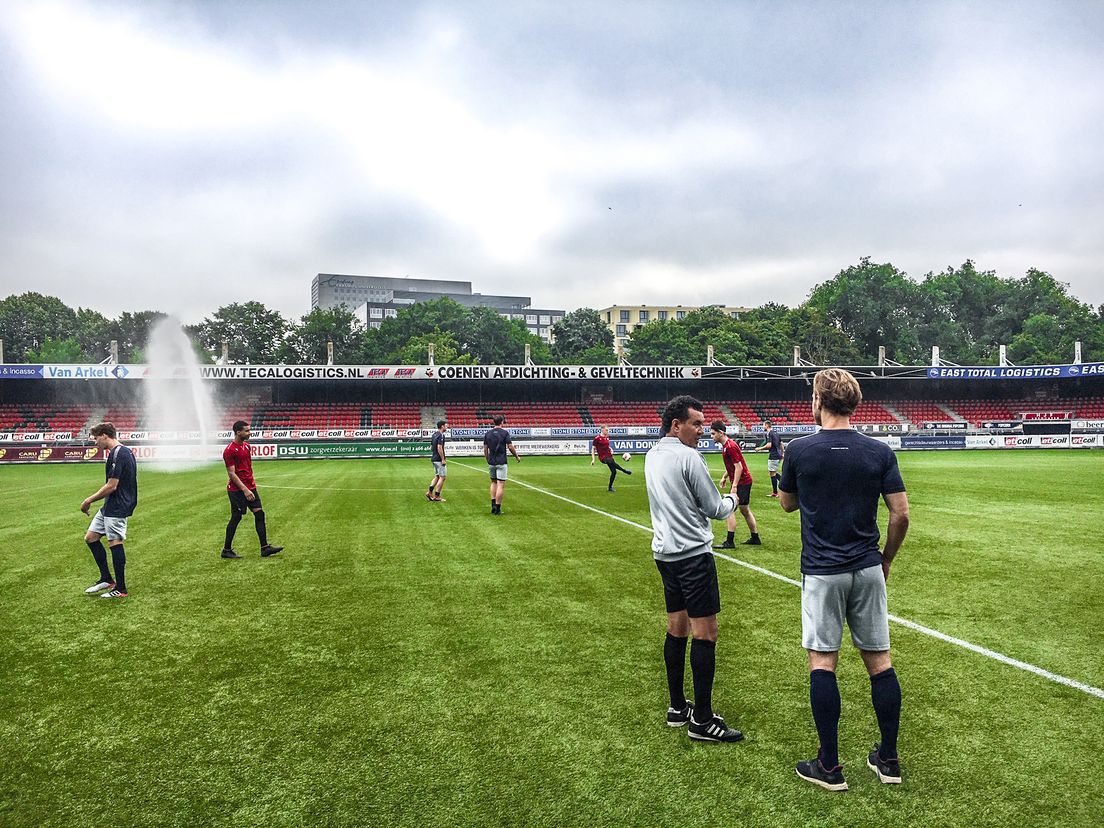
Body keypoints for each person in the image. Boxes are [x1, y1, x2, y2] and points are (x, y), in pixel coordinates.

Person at [778, 369, 910, 791]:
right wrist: (885, 559)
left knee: (823, 661)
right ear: (855, 402)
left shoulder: (799, 450)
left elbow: (786, 505)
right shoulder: (879, 451)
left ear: (818, 400)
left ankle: (830, 766)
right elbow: (901, 513)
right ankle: (888, 760)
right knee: (880, 661)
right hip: (868, 567)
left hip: (822, 571)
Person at [645, 395, 744, 744]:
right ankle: (701, 719)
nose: (702, 430)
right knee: (706, 633)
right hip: (693, 555)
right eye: (697, 424)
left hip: (665, 553)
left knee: (676, 626)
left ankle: (677, 707)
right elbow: (716, 509)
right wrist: (733, 494)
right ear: (677, 425)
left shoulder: (652, 454)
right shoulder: (689, 457)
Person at [81, 422, 138, 599]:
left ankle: (121, 589)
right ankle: (106, 579)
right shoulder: (118, 452)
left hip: (118, 504)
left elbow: (112, 485)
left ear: (105, 435)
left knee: (115, 542)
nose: (95, 442)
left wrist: (88, 500)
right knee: (91, 538)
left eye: (96, 438)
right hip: (110, 504)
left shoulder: (119, 453)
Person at [221, 420, 283, 559]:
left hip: (250, 487)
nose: (250, 433)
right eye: (247, 431)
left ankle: (264, 548)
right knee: (236, 518)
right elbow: (232, 473)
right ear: (238, 432)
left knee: (259, 514)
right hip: (237, 490)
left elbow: (247, 468)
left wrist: (251, 486)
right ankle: (226, 550)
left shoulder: (247, 447)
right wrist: (245, 490)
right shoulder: (230, 450)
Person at [709, 421, 760, 547]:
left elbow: (739, 467)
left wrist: (734, 486)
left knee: (729, 509)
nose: (711, 436)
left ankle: (730, 541)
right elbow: (733, 465)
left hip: (742, 482)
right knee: (745, 510)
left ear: (721, 433)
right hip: (744, 481)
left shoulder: (730, 447)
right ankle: (755, 538)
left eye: (713, 433)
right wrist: (724, 477)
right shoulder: (727, 445)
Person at [483, 415, 520, 515]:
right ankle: (498, 508)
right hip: (501, 462)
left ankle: (493, 505)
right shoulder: (504, 433)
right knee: (500, 485)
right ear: (502, 422)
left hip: (491, 462)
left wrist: (487, 459)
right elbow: (510, 446)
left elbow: (485, 449)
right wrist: (516, 456)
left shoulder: (488, 433)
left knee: (493, 483)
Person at [591, 424, 632, 492]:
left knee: (614, 472)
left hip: (609, 455)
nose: (607, 431)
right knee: (610, 461)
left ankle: (610, 487)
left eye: (608, 430)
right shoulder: (597, 438)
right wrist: (593, 459)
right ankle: (624, 470)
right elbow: (593, 449)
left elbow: (607, 446)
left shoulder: (607, 437)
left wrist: (611, 448)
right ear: (602, 429)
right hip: (603, 457)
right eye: (606, 430)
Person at [758, 419, 784, 496]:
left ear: (767, 425)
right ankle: (785, 484)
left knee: (772, 473)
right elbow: (781, 444)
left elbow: (769, 445)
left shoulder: (769, 434)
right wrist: (782, 454)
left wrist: (759, 448)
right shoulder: (776, 433)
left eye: (763, 425)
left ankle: (775, 492)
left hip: (773, 455)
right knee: (774, 472)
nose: (763, 426)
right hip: (778, 454)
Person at [426, 419, 448, 502]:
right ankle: (437, 496)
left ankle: (429, 492)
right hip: (439, 459)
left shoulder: (434, 434)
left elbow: (431, 447)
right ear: (442, 426)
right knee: (442, 477)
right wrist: (443, 459)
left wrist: (435, 453)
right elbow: (439, 447)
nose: (447, 427)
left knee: (437, 476)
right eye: (446, 425)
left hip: (434, 458)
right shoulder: (441, 435)